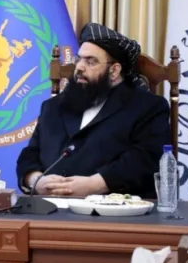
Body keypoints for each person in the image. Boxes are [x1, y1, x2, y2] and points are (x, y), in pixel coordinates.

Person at [16, 23, 171, 198]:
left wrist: (96, 184)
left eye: (90, 62)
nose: (80, 68)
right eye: (79, 60)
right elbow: (30, 154)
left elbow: (147, 159)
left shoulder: (148, 107)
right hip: (49, 206)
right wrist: (35, 180)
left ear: (114, 70)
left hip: (113, 207)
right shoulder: (53, 106)